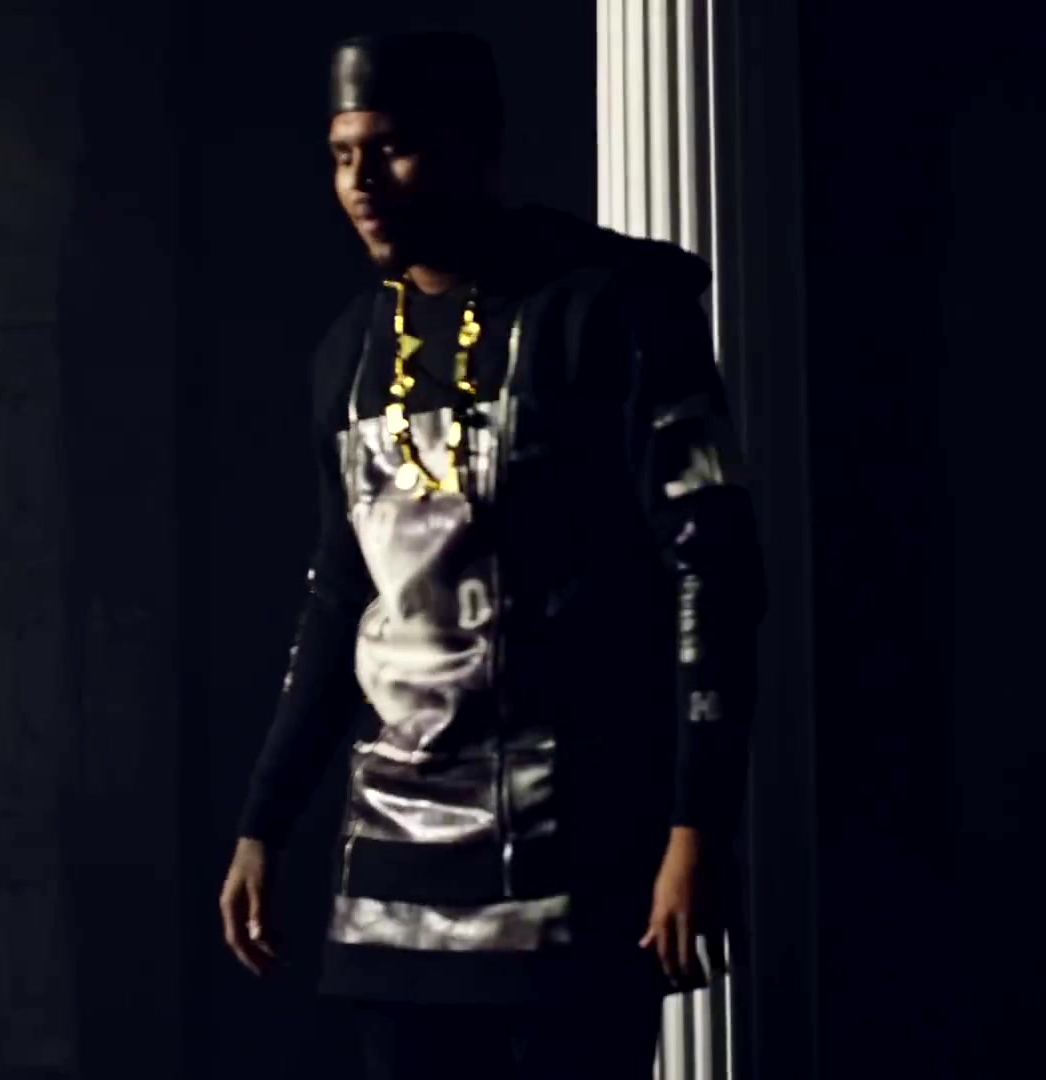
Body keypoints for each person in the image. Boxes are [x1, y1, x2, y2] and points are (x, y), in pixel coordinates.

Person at [216, 29, 763, 1080]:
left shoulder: (611, 306)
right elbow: (339, 597)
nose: (361, 183)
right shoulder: (348, 352)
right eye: (342, 155)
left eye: (391, 149)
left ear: (474, 146)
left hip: (577, 846)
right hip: (392, 868)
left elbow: (714, 566)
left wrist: (697, 825)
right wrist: (263, 824)